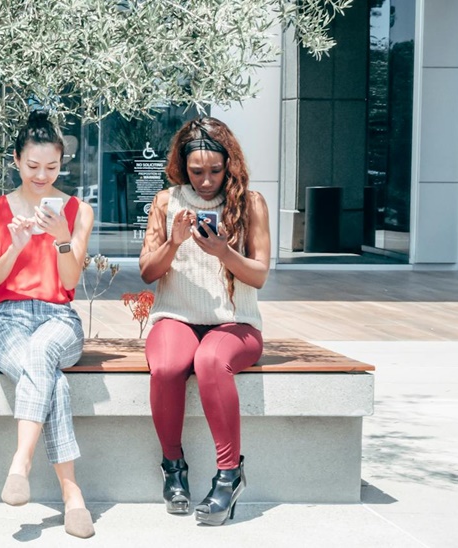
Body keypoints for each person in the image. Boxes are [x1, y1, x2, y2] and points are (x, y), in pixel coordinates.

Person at [139, 116, 270, 526]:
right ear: (182, 165)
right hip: (176, 317)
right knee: (165, 366)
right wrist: (174, 244)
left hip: (236, 324)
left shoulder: (251, 203)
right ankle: (173, 468)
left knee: (211, 361)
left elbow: (260, 275)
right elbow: (147, 272)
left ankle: (229, 476)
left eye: (216, 170)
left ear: (229, 164)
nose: (207, 180)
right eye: (197, 172)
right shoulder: (165, 202)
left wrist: (225, 253)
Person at [0, 110, 96, 539]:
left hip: (59, 318)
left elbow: (69, 282)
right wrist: (19, 245)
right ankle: (72, 494)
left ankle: (20, 463)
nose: (42, 176)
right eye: (32, 166)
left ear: (62, 164)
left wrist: (62, 236)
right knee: (53, 383)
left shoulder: (79, 211)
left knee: (43, 351)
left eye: (51, 167)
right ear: (16, 160)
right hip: (8, 320)